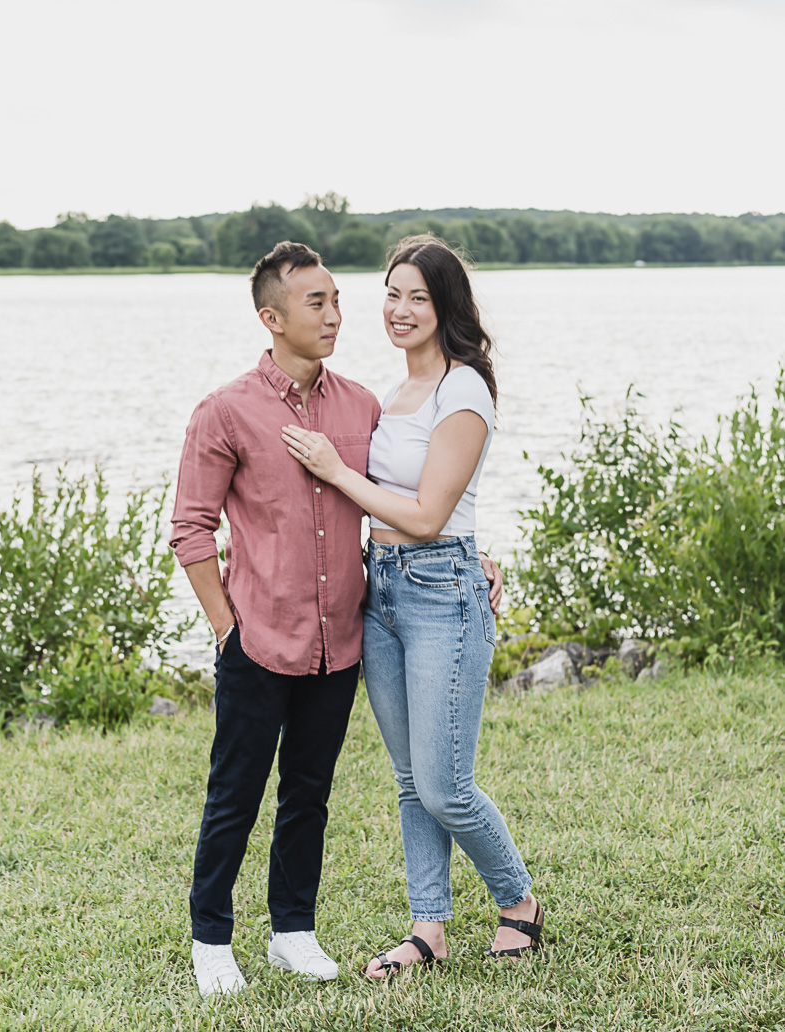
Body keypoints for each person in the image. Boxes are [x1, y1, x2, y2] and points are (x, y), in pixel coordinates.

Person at [282, 234, 543, 977]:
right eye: (391, 294)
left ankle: (518, 901)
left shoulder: (464, 389)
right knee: (407, 780)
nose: (399, 310)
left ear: (446, 306)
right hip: (383, 590)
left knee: (445, 784)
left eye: (417, 297)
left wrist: (334, 470)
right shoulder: (390, 397)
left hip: (441, 594)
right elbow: (399, 510)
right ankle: (428, 928)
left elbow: (428, 516)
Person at [170, 241, 381, 998]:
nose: (335, 313)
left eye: (335, 298)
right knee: (236, 792)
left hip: (340, 642)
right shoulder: (226, 410)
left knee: (310, 792)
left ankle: (293, 931)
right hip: (257, 642)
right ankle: (211, 939)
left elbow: (403, 506)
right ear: (272, 317)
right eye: (316, 302)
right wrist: (228, 629)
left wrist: (472, 557)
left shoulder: (362, 405)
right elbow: (190, 528)